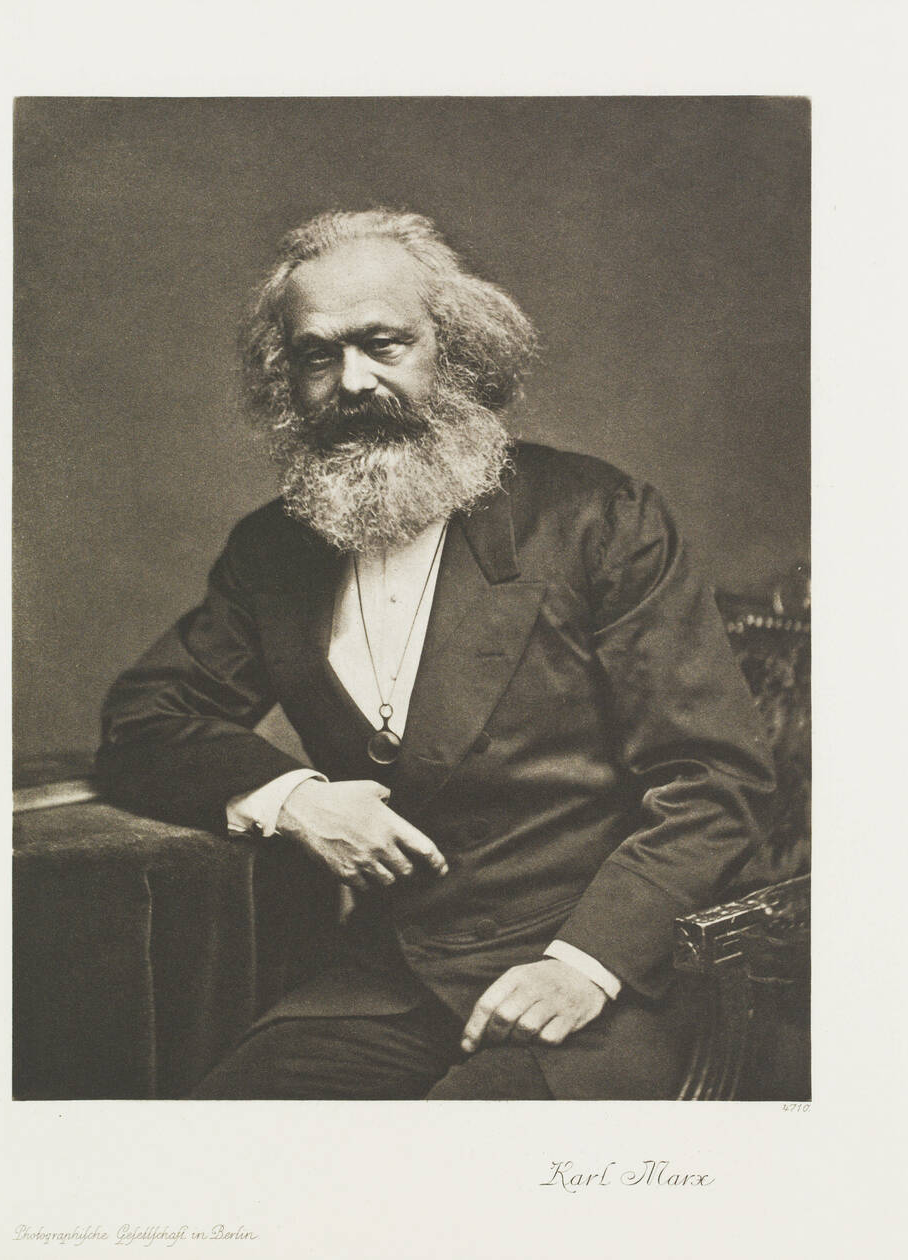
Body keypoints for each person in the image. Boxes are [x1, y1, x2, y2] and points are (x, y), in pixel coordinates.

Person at [96, 208, 776, 1100]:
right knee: (224, 1135)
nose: (352, 381)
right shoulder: (274, 549)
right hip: (391, 978)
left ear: (454, 351)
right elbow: (147, 719)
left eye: (383, 344)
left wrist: (585, 964)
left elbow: (715, 781)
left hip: (602, 979)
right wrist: (297, 801)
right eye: (316, 355)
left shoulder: (597, 518)